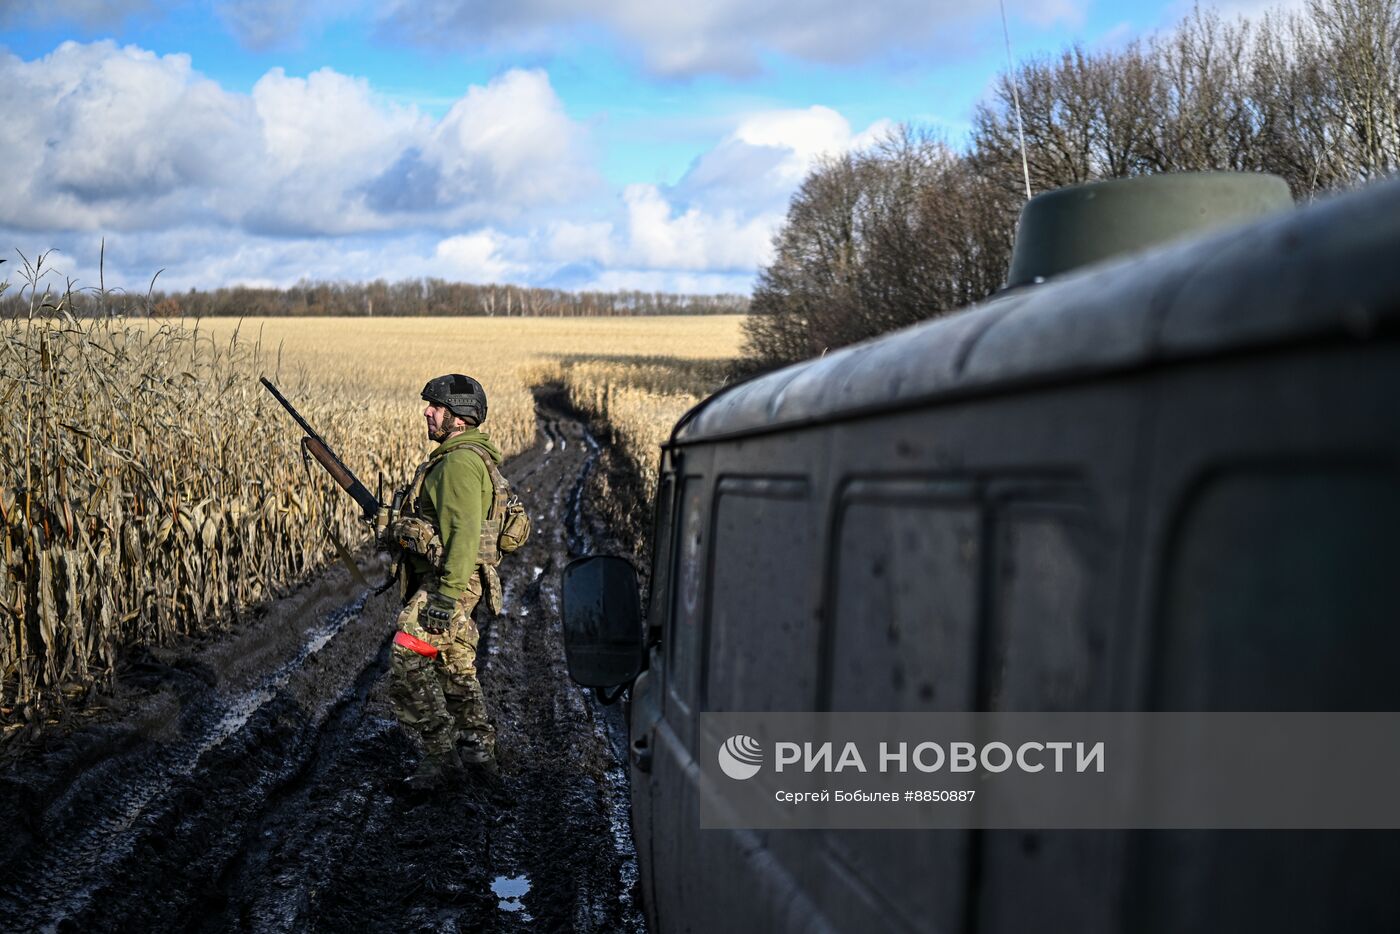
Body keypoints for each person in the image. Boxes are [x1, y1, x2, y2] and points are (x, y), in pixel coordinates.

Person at [388, 373, 505, 790]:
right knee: (456, 670)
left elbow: (462, 535)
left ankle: (442, 759)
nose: (427, 412)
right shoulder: (467, 457)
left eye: (435, 406)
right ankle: (478, 757)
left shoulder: (457, 463)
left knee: (407, 658)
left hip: (449, 584)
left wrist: (445, 598)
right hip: (456, 582)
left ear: (459, 418)